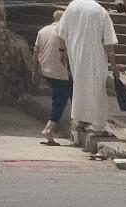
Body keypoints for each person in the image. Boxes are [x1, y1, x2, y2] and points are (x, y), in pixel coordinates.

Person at [60, 0, 119, 137]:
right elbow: (109, 44)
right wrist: (114, 66)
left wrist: (63, 51)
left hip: (76, 55)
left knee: (80, 87)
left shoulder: (73, 6)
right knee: (97, 91)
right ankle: (98, 127)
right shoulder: (100, 11)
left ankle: (80, 121)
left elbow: (62, 31)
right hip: (95, 57)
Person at [35, 10, 72, 145]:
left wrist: (34, 70)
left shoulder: (43, 31)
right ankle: (48, 129)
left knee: (62, 96)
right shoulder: (63, 31)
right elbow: (67, 52)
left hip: (45, 70)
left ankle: (78, 120)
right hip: (59, 72)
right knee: (60, 101)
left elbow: (35, 51)